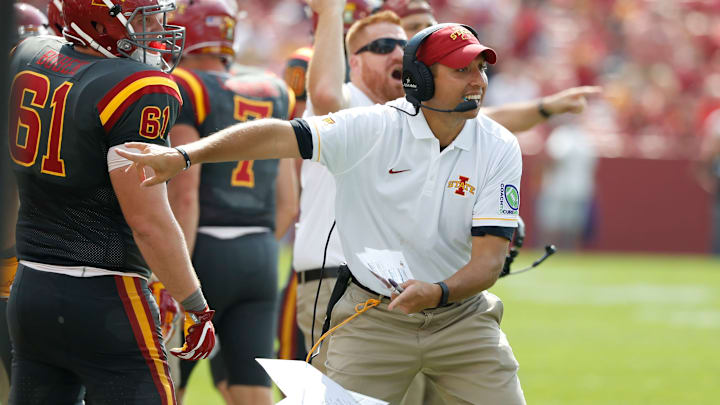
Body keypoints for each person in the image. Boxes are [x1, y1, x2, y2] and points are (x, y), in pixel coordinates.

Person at [118, 21, 530, 404]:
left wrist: (437, 292)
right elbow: (277, 135)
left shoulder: (499, 145)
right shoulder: (375, 128)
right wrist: (185, 155)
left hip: (463, 319)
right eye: (461, 70)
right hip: (376, 317)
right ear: (420, 79)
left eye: (481, 68)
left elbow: (489, 261)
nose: (478, 81)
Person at [295, 0, 601, 381]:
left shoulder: (432, 115)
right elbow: (324, 96)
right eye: (388, 43)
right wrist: (330, 12)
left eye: (405, 40)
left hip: (410, 284)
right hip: (340, 276)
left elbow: (488, 120)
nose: (397, 49)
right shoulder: (357, 104)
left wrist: (544, 108)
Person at [6, 0, 216, 403]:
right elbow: (148, 220)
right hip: (105, 298)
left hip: (30, 287)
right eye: (143, 17)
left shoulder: (28, 57)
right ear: (100, 19)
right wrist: (195, 302)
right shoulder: (136, 86)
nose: (157, 25)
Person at [165, 1, 298, 404]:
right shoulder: (275, 90)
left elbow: (186, 192)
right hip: (259, 255)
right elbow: (289, 203)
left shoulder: (186, 85)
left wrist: (174, 272)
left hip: (201, 252)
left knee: (166, 386)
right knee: (252, 392)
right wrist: (250, 247)